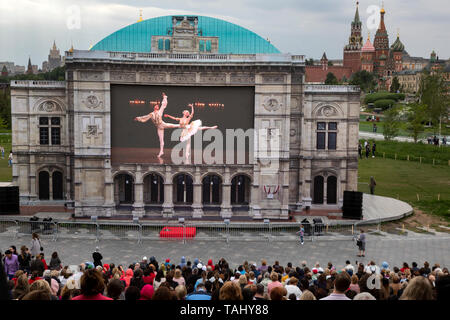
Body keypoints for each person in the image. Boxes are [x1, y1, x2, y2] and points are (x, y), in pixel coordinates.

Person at [134, 92, 180, 158]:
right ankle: (161, 151)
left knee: (172, 125)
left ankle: (182, 125)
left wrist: (164, 97)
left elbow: (164, 104)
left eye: (157, 106)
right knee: (161, 140)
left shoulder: (160, 111)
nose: (157, 106)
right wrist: (138, 118)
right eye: (156, 106)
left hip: (162, 124)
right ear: (154, 107)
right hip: (159, 127)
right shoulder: (151, 114)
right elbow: (145, 117)